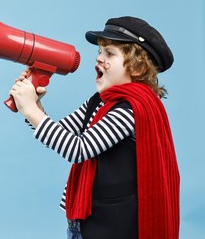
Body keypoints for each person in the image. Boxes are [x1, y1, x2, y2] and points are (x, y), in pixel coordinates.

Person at [9, 16, 180, 239]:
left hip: (110, 226)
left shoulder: (129, 111)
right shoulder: (99, 101)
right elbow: (61, 132)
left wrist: (31, 110)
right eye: (100, 51)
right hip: (83, 222)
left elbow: (77, 149)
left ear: (137, 67)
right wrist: (35, 107)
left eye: (109, 53)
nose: (99, 58)